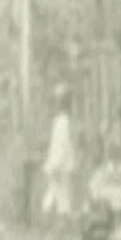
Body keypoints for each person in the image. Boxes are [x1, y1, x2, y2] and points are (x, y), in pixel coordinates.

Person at [42, 82, 76, 229]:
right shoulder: (62, 122)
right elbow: (60, 146)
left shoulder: (62, 123)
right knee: (59, 192)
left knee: (58, 192)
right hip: (60, 164)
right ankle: (55, 218)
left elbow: (62, 146)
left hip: (59, 163)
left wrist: (56, 163)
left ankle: (54, 218)